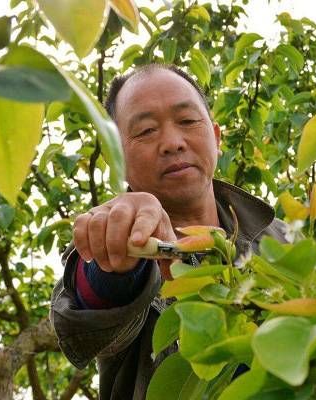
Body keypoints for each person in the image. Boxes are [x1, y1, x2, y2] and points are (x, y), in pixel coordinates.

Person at [50, 64, 287, 399]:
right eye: (146, 130)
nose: (172, 143)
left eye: (188, 121)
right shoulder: (120, 244)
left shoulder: (287, 241)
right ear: (116, 160)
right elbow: (98, 296)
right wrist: (125, 251)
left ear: (216, 138)